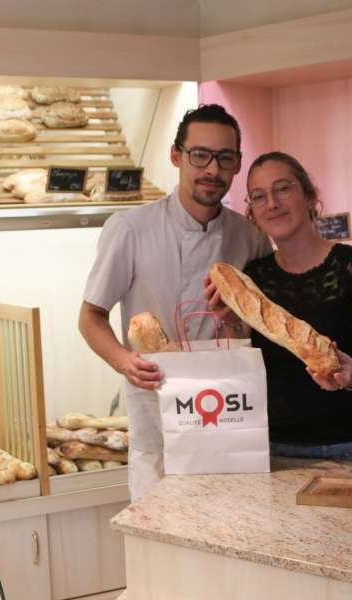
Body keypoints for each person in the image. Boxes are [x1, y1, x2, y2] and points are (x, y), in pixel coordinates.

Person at [79, 104, 272, 500]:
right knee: (158, 520)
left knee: (229, 516)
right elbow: (91, 317)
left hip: (229, 405)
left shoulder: (250, 238)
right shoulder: (130, 229)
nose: (212, 170)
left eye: (225, 158)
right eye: (199, 155)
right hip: (155, 400)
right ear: (176, 156)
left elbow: (258, 326)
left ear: (237, 163)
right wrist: (123, 360)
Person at [207, 151, 352, 460]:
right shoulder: (253, 278)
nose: (272, 203)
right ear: (252, 212)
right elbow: (241, 371)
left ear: (309, 196)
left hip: (344, 448)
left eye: (283, 188)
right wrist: (231, 321)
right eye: (259, 196)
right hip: (267, 450)